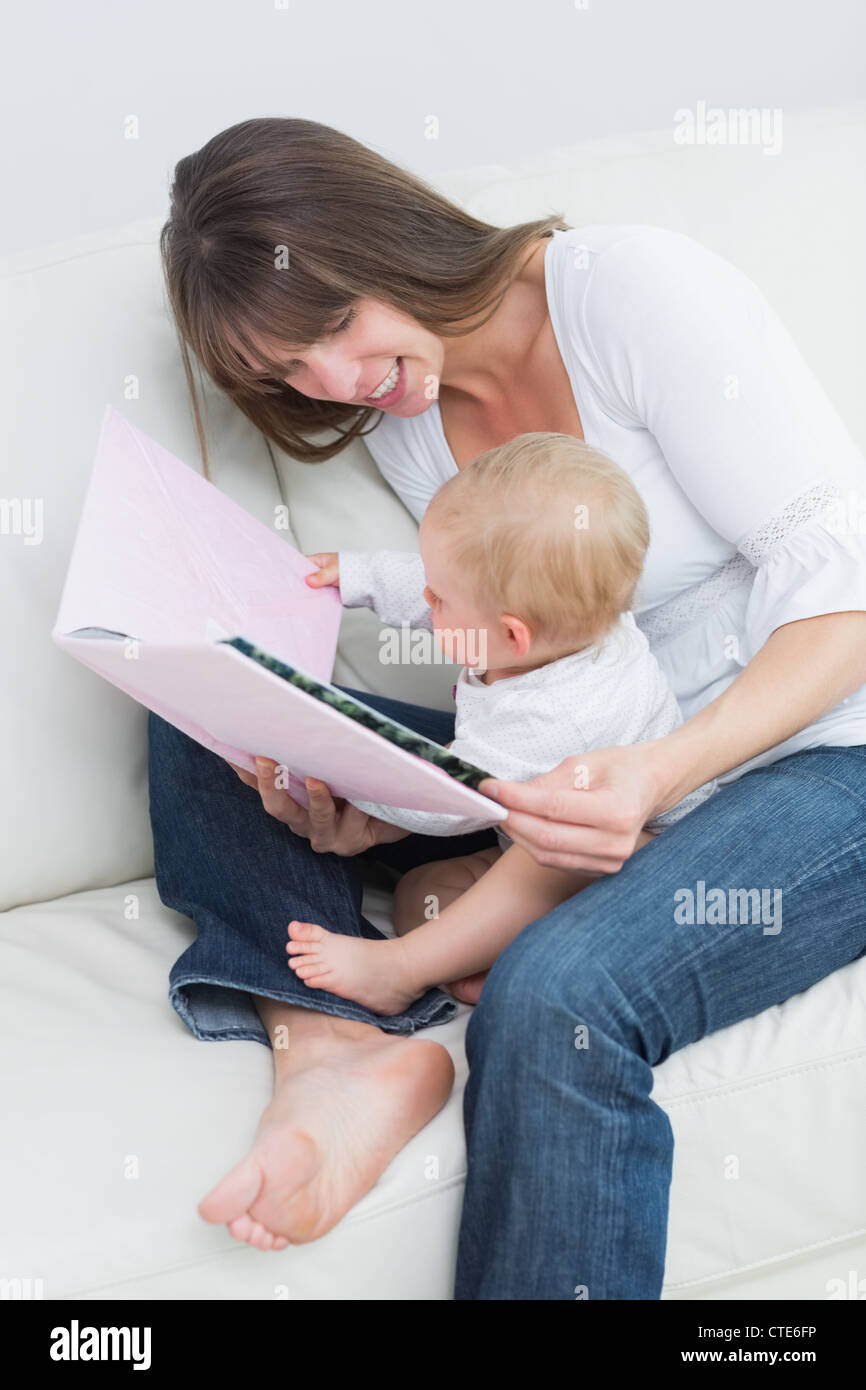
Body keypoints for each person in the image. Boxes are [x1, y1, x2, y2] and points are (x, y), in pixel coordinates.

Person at [150, 115, 866, 1295]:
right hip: (591, 722)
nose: (336, 385)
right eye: (288, 373)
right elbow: (499, 654)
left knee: (556, 1000)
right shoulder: (410, 416)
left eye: (331, 327)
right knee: (219, 667)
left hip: (814, 749)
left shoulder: (631, 294)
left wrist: (659, 772)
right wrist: (379, 788)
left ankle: (470, 939)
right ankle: (335, 1054)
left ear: (387, 238)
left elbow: (849, 597)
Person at [286, 431, 714, 1013]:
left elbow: (437, 799)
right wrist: (355, 575)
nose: (425, 600)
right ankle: (505, 966)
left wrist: (328, 761)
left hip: (647, 866)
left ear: (512, 634)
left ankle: (403, 969)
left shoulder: (551, 714)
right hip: (527, 851)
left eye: (439, 600)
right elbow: (438, 584)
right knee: (423, 896)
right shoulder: (555, 627)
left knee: (555, 850)